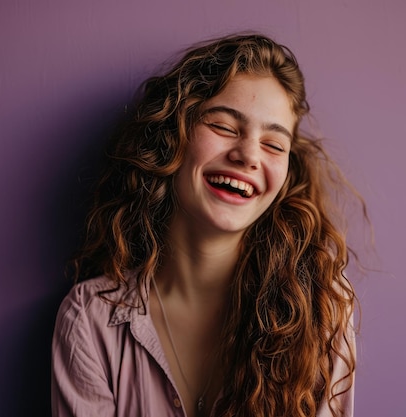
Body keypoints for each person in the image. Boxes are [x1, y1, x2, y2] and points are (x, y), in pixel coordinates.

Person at [52, 33, 363, 417]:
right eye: (224, 126)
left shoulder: (322, 307)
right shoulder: (90, 320)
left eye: (273, 145)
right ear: (173, 136)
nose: (248, 155)